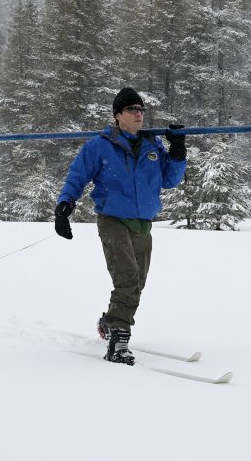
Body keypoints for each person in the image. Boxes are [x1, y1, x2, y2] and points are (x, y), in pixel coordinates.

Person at [55, 87, 186, 365]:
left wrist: (177, 151)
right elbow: (77, 176)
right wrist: (65, 204)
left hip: (142, 223)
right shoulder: (100, 146)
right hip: (112, 219)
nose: (139, 115)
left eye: (141, 110)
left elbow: (170, 180)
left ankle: (110, 321)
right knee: (126, 278)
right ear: (118, 115)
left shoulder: (152, 146)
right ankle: (118, 340)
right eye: (132, 110)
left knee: (137, 283)